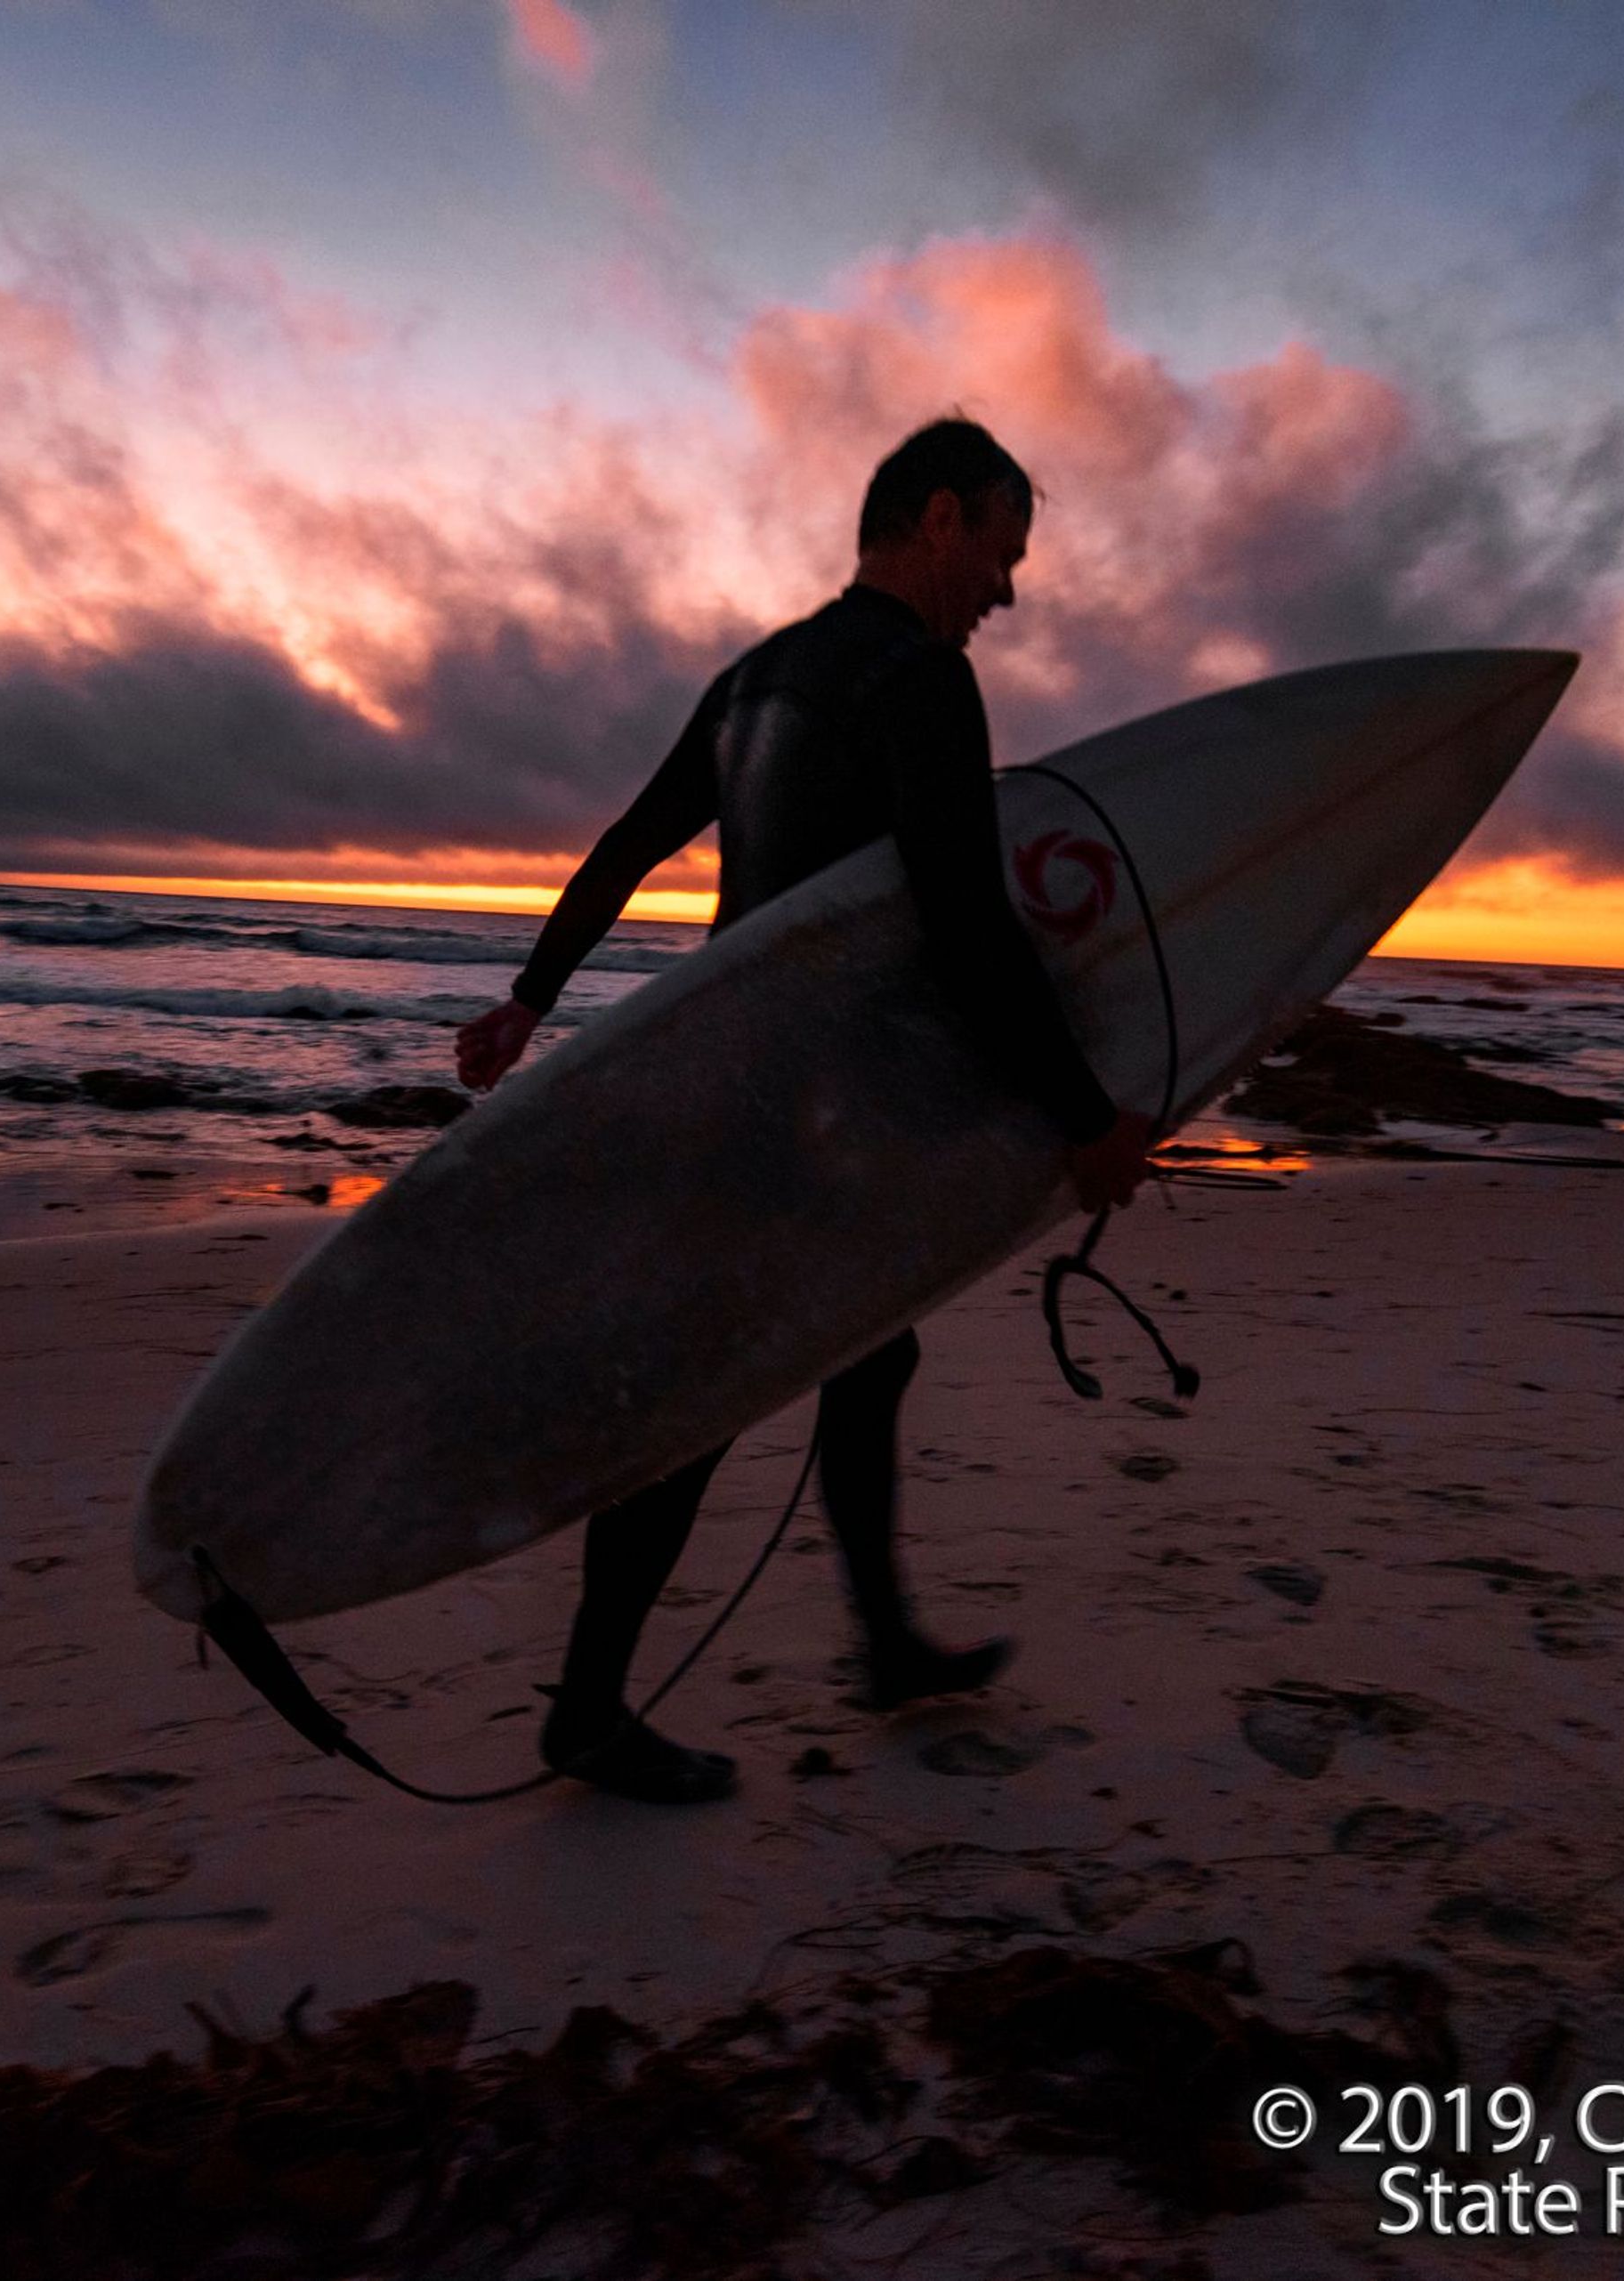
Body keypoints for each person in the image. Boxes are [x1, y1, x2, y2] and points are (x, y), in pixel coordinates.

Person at [451, 417, 1155, 1806]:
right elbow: (966, 922)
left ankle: (885, 1646)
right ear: (939, 520)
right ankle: (588, 1712)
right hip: (808, 1110)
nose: (1008, 593)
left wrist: (530, 998)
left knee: (866, 1357)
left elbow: (628, 847)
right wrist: (1086, 1114)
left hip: (740, 1089)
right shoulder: (921, 680)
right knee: (707, 1397)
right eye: (1005, 556)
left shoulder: (758, 677)